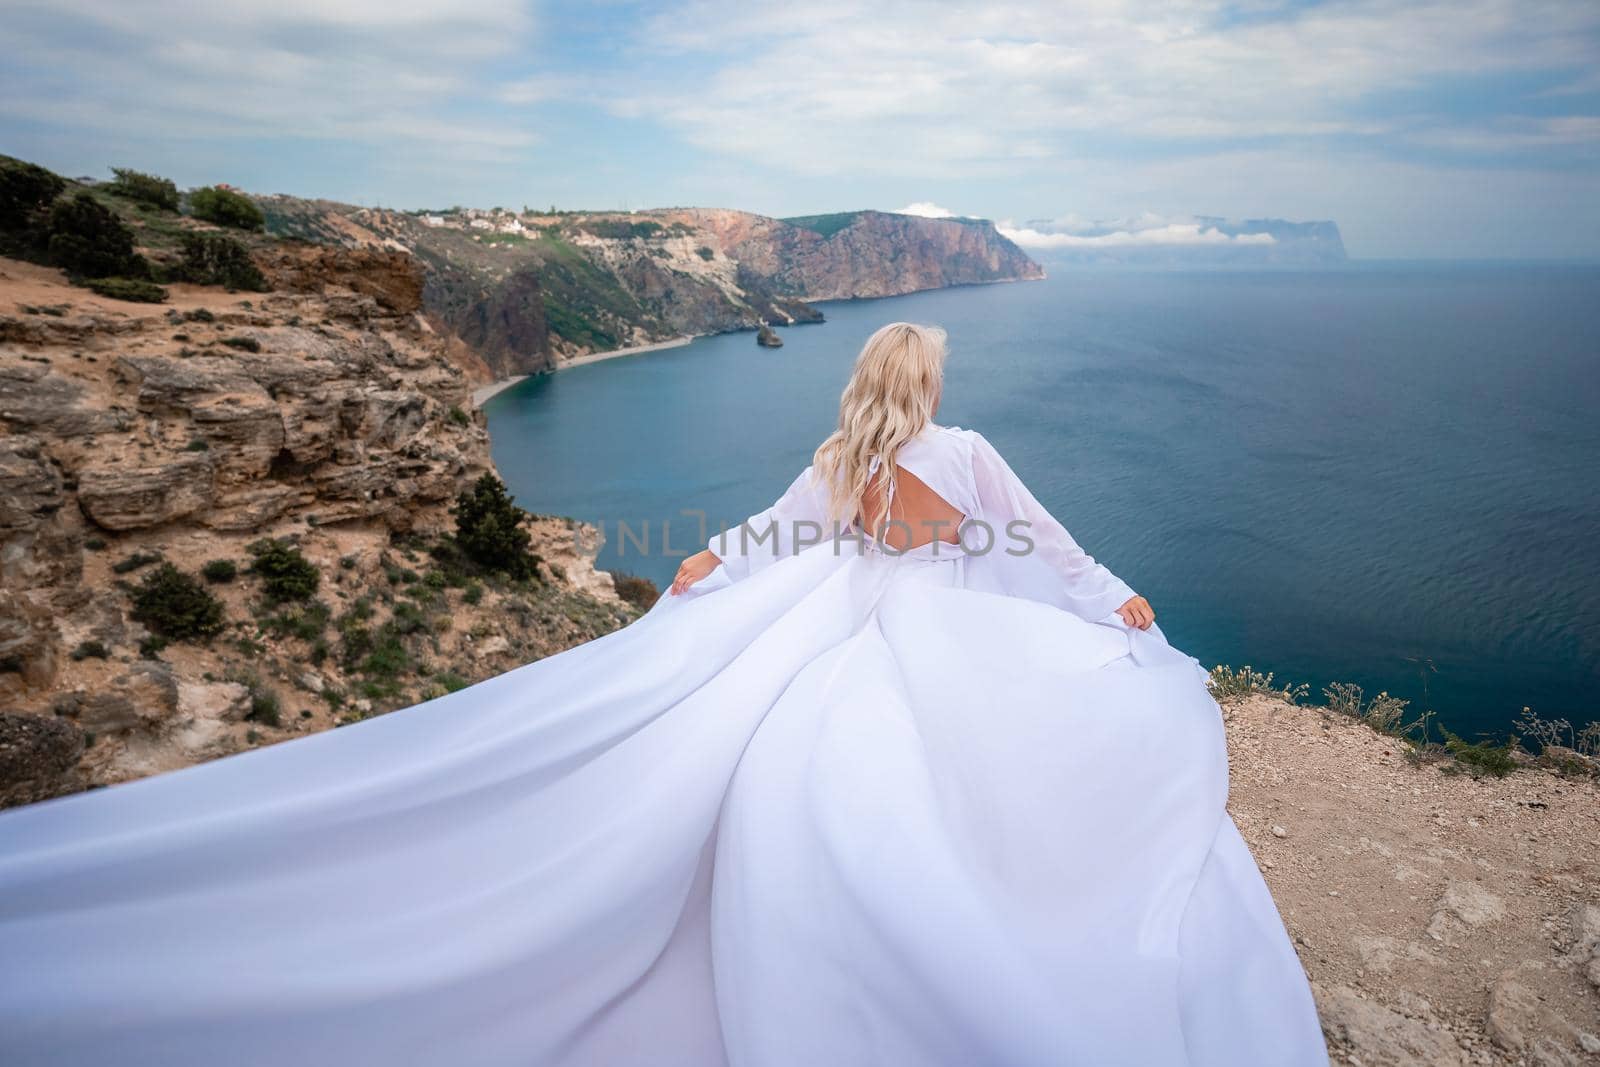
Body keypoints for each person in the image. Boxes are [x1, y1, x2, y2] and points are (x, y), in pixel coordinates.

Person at [0, 323, 1328, 1066]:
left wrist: (700, 563)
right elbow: (1036, 545)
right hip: (950, 629)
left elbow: (775, 534)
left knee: (801, 756)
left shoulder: (839, 452)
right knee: (1015, 759)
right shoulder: (966, 451)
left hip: (842, 623)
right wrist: (1116, 603)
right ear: (928, 388)